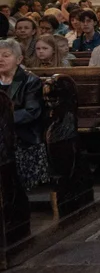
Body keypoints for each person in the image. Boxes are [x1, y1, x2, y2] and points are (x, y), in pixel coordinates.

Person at [0, 38, 51, 190]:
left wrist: (4, 122)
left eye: (6, 55)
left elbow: (32, 112)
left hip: (23, 136)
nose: (0, 59)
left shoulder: (30, 81)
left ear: (19, 59)